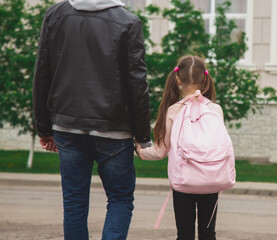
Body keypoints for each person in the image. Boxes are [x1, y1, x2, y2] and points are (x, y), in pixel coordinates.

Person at [32, 0, 151, 239]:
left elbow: (42, 71)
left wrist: (44, 128)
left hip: (67, 126)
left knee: (74, 203)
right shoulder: (128, 21)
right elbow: (137, 83)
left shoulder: (55, 15)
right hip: (114, 130)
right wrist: (143, 137)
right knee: (120, 199)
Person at [135, 55, 222, 240]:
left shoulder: (173, 110)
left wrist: (140, 152)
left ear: (177, 79)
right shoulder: (216, 110)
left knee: (184, 235)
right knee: (208, 234)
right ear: (205, 78)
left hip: (184, 183)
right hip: (211, 180)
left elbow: (160, 152)